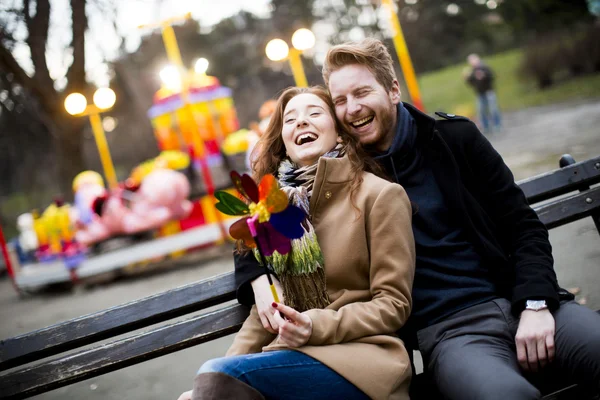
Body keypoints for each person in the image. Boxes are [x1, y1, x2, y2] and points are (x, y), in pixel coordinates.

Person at [237, 39, 600, 400]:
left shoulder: (453, 139)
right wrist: (257, 277)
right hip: (451, 333)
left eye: (362, 92)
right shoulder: (340, 177)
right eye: (340, 101)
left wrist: (535, 303)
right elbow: (265, 213)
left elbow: (523, 226)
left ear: (393, 89)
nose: (352, 109)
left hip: (525, 302)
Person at [178, 86, 415, 400]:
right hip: (293, 359)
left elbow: (393, 304)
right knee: (207, 384)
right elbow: (266, 314)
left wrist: (315, 326)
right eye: (290, 119)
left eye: (314, 113)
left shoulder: (380, 196)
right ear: (284, 144)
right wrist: (206, 383)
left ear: (340, 133)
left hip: (363, 362)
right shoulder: (275, 209)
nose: (301, 122)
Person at [464, 53, 502, 133]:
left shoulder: (485, 67)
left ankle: (497, 125)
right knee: (481, 111)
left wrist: (484, 75)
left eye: (473, 60)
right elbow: (471, 83)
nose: (472, 62)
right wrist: (466, 78)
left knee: (493, 109)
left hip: (488, 92)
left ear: (477, 59)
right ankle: (486, 127)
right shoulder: (472, 71)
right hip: (480, 93)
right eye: (470, 61)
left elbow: (492, 76)